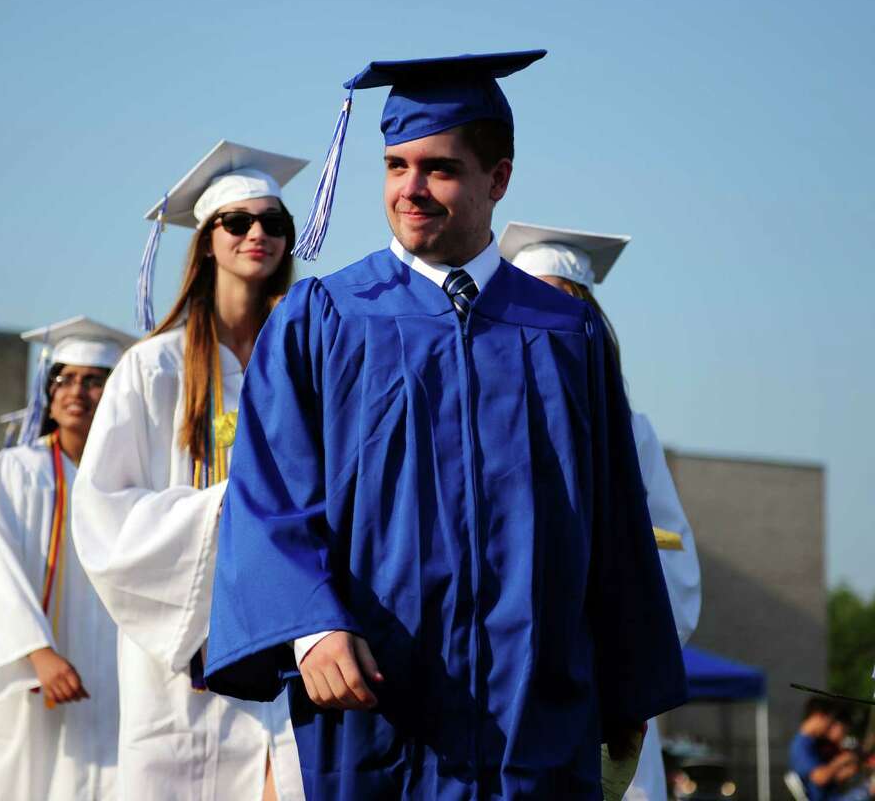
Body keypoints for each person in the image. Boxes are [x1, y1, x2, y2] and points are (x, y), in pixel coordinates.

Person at [202, 52, 688, 799]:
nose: (409, 189)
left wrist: (628, 690)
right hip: (380, 711)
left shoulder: (563, 332)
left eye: (439, 169)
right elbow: (268, 496)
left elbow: (615, 522)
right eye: (396, 165)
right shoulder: (325, 320)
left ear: (499, 180)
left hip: (536, 715)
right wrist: (312, 626)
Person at [72, 140, 309, 800]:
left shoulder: (303, 362)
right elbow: (104, 512)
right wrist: (228, 507)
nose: (258, 233)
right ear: (207, 241)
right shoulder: (153, 369)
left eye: (274, 222)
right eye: (238, 222)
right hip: (183, 651)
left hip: (289, 636)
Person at [502, 221, 703, 800]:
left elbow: (674, 566)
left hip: (603, 685)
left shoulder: (629, 430)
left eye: (560, 303)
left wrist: (619, 656)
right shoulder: (488, 423)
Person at [0, 316, 134, 800]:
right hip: (31, 669)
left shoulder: (131, 478)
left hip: (112, 674)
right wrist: (38, 654)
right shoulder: (15, 473)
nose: (76, 392)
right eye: (64, 378)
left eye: (93, 380)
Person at [790, 699, 875, 801]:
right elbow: (820, 778)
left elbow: (830, 778)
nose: (829, 727)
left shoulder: (813, 742)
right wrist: (843, 759)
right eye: (829, 721)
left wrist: (848, 771)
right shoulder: (801, 745)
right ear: (818, 716)